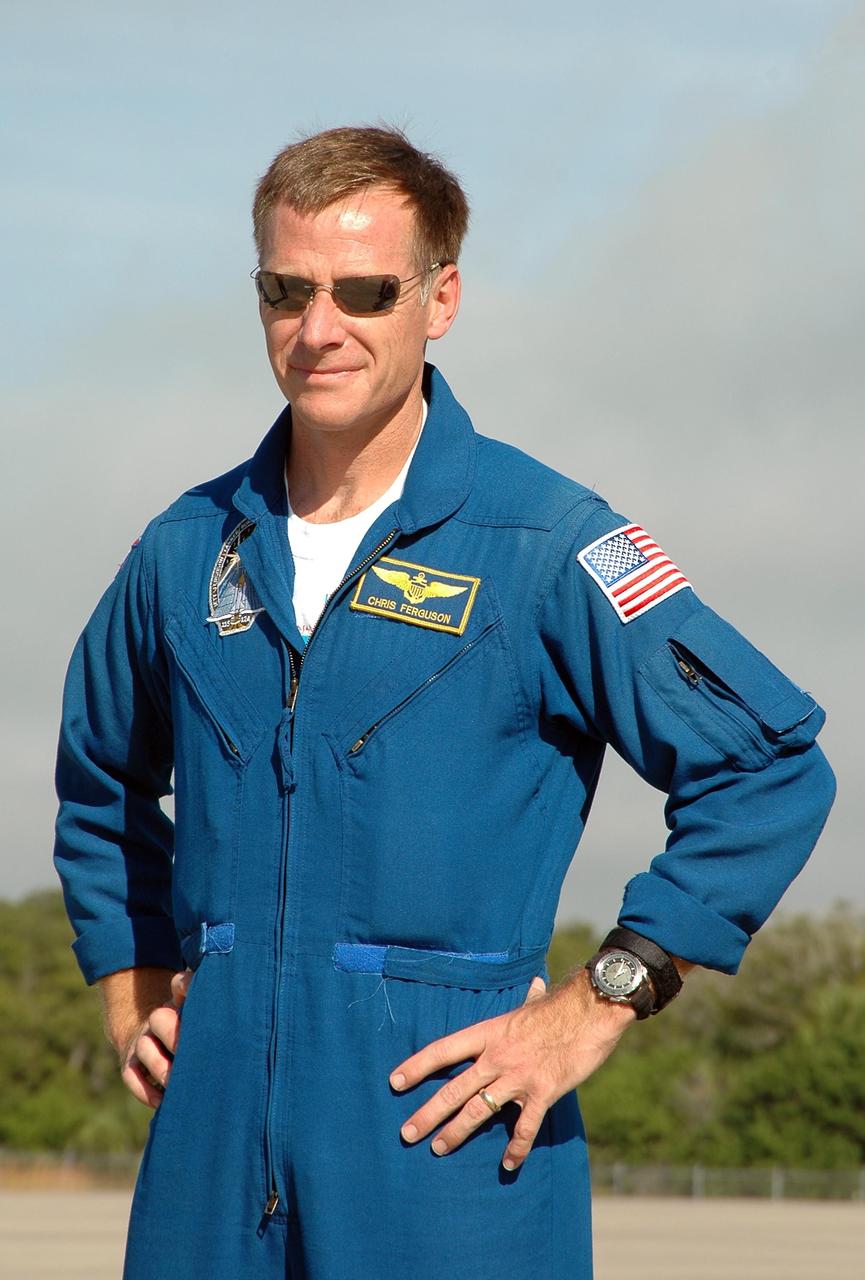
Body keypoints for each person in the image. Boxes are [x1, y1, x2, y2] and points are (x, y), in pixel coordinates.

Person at [54, 125, 835, 1280]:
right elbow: (100, 785)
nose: (319, 328)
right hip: (208, 1158)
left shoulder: (549, 541)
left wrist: (601, 997)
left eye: (365, 291)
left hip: (446, 1141)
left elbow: (768, 766)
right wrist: (135, 990)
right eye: (287, 289)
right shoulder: (182, 553)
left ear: (440, 297)